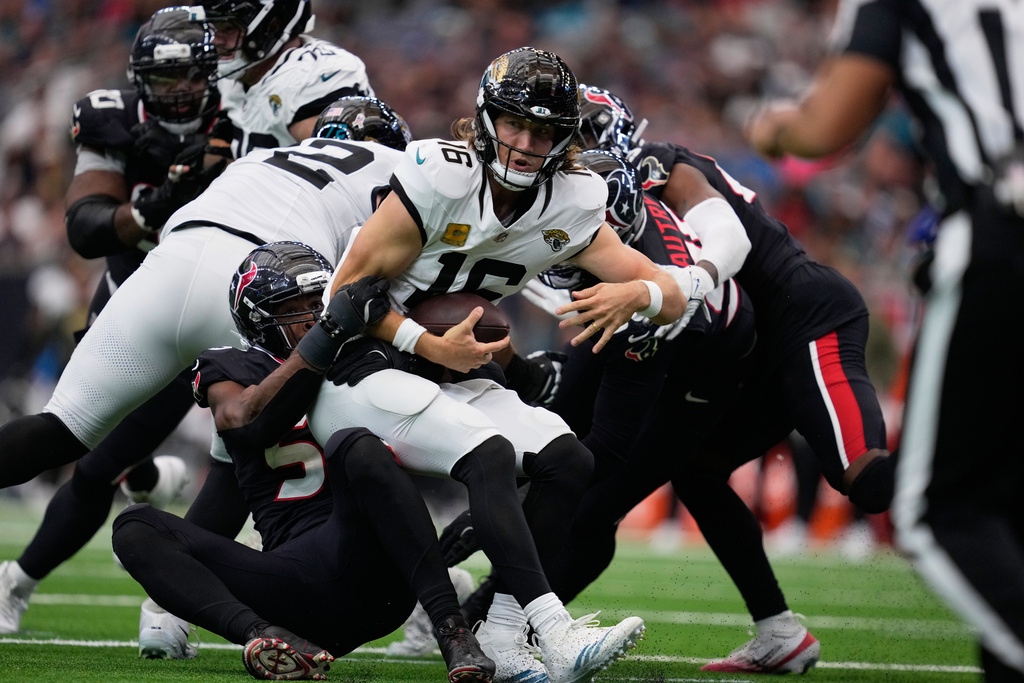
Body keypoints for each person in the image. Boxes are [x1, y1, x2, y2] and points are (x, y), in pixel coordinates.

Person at [306, 47, 689, 683]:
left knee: (568, 459)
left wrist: (638, 292)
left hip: (449, 368)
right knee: (487, 451)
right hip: (365, 363)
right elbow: (344, 293)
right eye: (514, 123)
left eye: (542, 131)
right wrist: (428, 346)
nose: (524, 142)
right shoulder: (440, 175)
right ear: (485, 120)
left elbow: (670, 290)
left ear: (565, 139)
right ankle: (555, 630)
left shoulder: (572, 200)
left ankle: (508, 636)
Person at [0, 99, 409, 648]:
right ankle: (168, 612)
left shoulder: (269, 154)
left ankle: (164, 598)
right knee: (242, 451)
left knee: (60, 428)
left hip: (174, 257)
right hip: (263, 277)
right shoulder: (405, 171)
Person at [523, 83, 893, 673]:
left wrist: (681, 284)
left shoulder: (657, 167)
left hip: (801, 320)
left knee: (866, 480)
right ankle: (780, 633)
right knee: (694, 473)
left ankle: (983, 482)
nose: (563, 160)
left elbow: (730, 241)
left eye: (570, 144)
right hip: (733, 354)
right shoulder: (587, 209)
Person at [441, 147, 820, 674]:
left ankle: (493, 622)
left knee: (591, 503)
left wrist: (500, 509)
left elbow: (607, 449)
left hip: (706, 369)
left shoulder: (644, 301)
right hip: (653, 334)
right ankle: (477, 620)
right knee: (553, 425)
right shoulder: (613, 230)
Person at [746, 1, 1024, 678]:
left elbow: (827, 124)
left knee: (935, 516)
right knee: (1008, 512)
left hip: (1004, 228)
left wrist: (778, 127)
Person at [113, 241, 495, 683]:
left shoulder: (368, 355)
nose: (317, 315)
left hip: (378, 568)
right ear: (260, 318)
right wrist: (328, 335)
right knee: (134, 525)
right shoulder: (231, 366)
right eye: (300, 306)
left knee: (358, 445)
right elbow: (241, 420)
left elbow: (477, 398)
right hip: (292, 586)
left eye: (322, 302)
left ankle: (452, 628)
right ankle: (264, 637)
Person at [0, 5, 226, 641]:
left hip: (238, 304)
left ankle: (171, 588)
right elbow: (86, 226)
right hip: (139, 307)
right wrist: (145, 211)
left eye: (190, 80)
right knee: (88, 453)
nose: (178, 94)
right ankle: (21, 580)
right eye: (163, 81)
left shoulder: (246, 117)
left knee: (255, 449)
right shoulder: (113, 117)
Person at [200, 0, 373, 157]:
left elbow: (334, 173)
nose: (216, 40)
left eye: (228, 28)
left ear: (272, 25)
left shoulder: (315, 75)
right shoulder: (239, 73)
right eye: (214, 27)